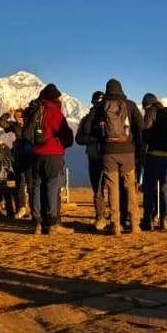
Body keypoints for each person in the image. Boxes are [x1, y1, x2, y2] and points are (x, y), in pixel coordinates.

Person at [95, 79, 145, 235]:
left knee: (113, 189)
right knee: (130, 188)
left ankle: (116, 225)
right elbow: (141, 126)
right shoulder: (129, 105)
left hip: (109, 153)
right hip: (128, 153)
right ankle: (135, 224)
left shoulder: (102, 107)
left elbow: (95, 128)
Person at [30, 83, 75, 235]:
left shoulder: (36, 110)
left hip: (35, 153)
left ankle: (37, 222)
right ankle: (53, 223)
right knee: (52, 187)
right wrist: (64, 144)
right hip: (52, 154)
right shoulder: (54, 111)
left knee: (37, 187)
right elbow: (66, 135)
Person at [141, 92, 167, 231]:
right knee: (165, 187)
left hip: (153, 155)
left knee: (149, 188)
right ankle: (164, 219)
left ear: (147, 105)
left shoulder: (150, 112)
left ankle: (148, 219)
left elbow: (145, 131)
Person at [75, 91, 108, 230]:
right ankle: (104, 217)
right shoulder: (88, 119)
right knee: (101, 189)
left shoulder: (88, 118)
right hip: (102, 156)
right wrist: (94, 139)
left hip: (101, 156)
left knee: (101, 189)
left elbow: (79, 138)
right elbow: (79, 138)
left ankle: (105, 218)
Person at [0, 108, 31, 219]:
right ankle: (21, 207)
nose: (18, 119)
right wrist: (7, 114)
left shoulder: (30, 125)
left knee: (32, 184)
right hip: (19, 156)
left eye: (20, 116)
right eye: (16, 117)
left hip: (30, 156)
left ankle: (33, 208)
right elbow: (2, 123)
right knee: (20, 182)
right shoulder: (14, 126)